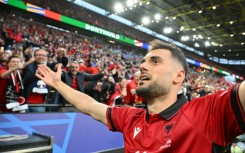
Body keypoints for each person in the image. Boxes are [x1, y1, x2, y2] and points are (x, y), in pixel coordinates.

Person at [35, 39, 245, 153]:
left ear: (179, 75)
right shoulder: (130, 118)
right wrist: (57, 83)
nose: (142, 66)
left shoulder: (208, 112)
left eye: (155, 61)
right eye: (143, 62)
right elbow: (89, 105)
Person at [23, 48, 49, 113]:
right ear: (34, 57)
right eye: (39, 55)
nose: (41, 57)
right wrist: (37, 74)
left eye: (43, 55)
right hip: (27, 102)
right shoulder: (29, 67)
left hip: (40, 103)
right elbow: (25, 82)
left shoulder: (49, 67)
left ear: (46, 57)